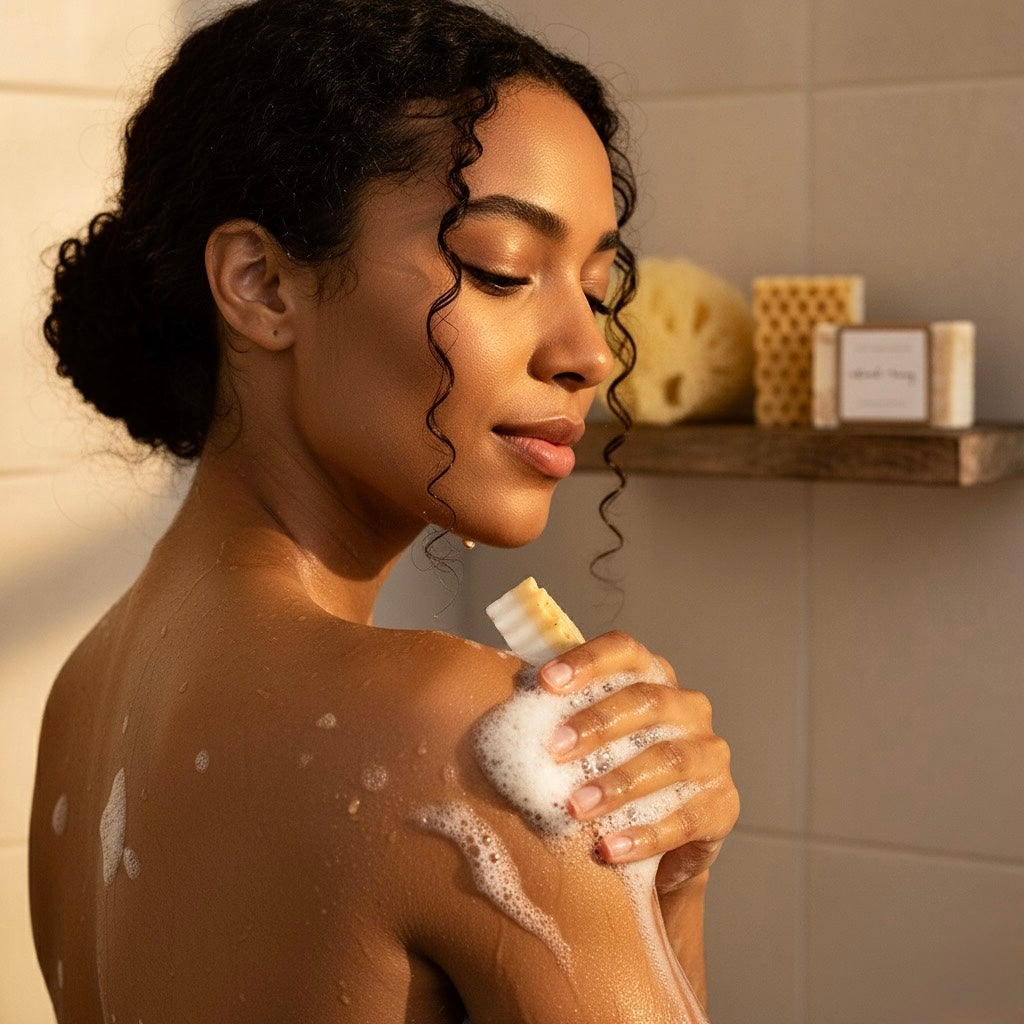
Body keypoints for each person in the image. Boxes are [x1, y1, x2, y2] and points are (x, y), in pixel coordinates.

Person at [28, 1, 739, 1021]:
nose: (587, 352)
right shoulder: (452, 731)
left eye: (595, 286)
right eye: (499, 268)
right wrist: (629, 866)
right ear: (262, 283)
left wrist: (666, 874)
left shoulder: (87, 693)